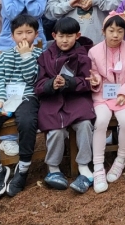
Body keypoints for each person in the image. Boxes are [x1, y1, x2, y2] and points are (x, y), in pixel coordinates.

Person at [0, 13, 42, 200]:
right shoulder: (3, 57)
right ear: (12, 36)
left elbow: (34, 80)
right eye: (19, 33)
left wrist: (26, 56)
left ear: (36, 34)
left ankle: (23, 168)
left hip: (28, 97)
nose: (24, 37)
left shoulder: (41, 56)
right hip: (5, 99)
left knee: (27, 122)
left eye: (29, 32)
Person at [34, 16, 96, 193]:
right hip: (53, 101)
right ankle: (53, 168)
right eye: (61, 36)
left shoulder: (83, 56)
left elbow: (88, 82)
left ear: (77, 36)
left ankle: (84, 166)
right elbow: (38, 85)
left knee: (85, 124)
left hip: (76, 99)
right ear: (54, 35)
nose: (65, 40)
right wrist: (51, 84)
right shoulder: (45, 56)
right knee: (56, 130)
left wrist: (70, 82)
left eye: (69, 36)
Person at [87, 12, 125, 193]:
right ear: (103, 31)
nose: (115, 35)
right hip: (102, 95)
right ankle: (98, 166)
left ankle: (120, 159)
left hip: (123, 95)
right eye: (111, 31)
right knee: (101, 121)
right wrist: (95, 80)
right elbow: (93, 72)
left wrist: (124, 94)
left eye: (120, 31)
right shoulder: (94, 51)